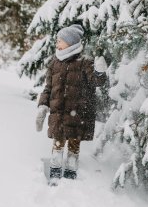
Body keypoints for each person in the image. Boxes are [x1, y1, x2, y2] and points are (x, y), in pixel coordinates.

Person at [35, 24, 107, 186]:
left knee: (74, 144)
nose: (57, 43)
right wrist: (42, 106)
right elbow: (48, 88)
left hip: (78, 114)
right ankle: (54, 174)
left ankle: (70, 175)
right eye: (57, 40)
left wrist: (100, 72)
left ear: (71, 43)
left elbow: (97, 82)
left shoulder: (85, 62)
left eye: (60, 40)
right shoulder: (54, 63)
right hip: (58, 114)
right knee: (57, 144)